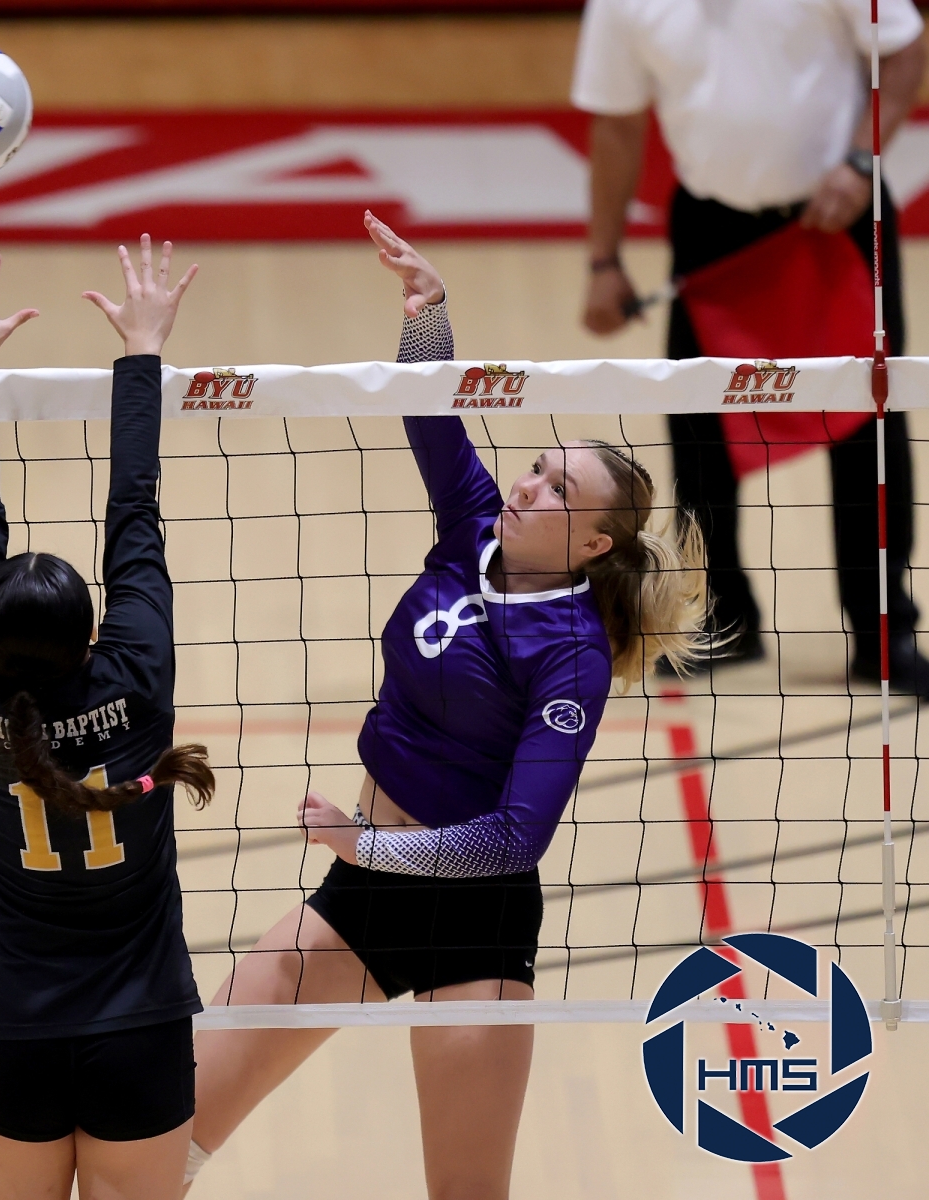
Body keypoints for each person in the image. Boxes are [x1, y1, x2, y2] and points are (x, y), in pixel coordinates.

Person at [183, 214, 709, 1200]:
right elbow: (431, 412)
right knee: (166, 1141)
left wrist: (368, 843)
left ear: (594, 545)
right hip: (363, 897)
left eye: (558, 490)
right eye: (539, 466)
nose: (529, 485)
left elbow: (513, 838)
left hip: (474, 919)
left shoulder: (572, 657)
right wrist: (428, 312)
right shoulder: (472, 525)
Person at [0, 237, 216, 1200]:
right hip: (143, 1027)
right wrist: (142, 350)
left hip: (18, 1030)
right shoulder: (136, 675)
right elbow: (135, 509)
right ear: (92, 638)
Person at [575, 0, 927, 685]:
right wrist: (603, 261)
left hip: (839, 217)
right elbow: (616, 123)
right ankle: (721, 619)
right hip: (713, 234)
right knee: (701, 435)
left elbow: (905, 52)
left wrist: (861, 162)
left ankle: (884, 630)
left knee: (869, 426)